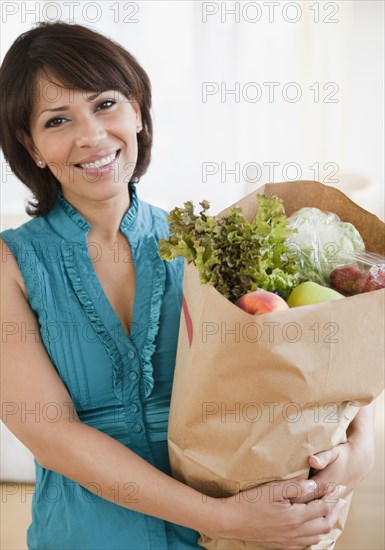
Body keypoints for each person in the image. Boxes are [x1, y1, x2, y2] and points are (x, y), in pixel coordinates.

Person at [0, 21, 376, 550]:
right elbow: (52, 434)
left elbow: (327, 376)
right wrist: (226, 519)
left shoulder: (214, 244)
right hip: (87, 536)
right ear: (31, 145)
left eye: (105, 103)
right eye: (58, 119)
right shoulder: (11, 263)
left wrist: (357, 456)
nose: (90, 135)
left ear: (136, 110)